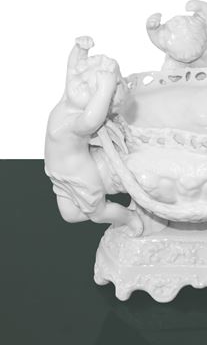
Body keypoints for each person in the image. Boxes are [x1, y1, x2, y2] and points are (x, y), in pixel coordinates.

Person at [44, 36, 143, 235]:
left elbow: (91, 121)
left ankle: (129, 218)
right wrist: (80, 50)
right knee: (70, 215)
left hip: (80, 175)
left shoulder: (77, 121)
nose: (79, 84)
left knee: (98, 214)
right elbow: (72, 68)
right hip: (58, 174)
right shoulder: (69, 98)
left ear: (98, 102)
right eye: (81, 79)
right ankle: (123, 215)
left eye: (89, 88)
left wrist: (105, 89)